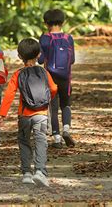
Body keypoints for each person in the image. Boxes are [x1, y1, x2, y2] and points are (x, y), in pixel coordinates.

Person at [0, 38, 57, 187]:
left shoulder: (18, 74)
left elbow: (9, 95)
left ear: (19, 56)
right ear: (38, 55)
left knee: (24, 142)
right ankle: (40, 172)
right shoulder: (44, 72)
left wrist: (2, 114)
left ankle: (26, 174)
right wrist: (46, 100)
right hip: (41, 114)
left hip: (24, 116)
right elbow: (54, 88)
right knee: (40, 141)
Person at [38, 9, 76, 149]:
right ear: (63, 22)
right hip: (66, 78)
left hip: (50, 78)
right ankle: (66, 128)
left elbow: (41, 60)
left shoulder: (45, 38)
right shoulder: (68, 38)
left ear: (46, 23)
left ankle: (57, 138)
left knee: (53, 108)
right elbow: (72, 60)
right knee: (65, 104)